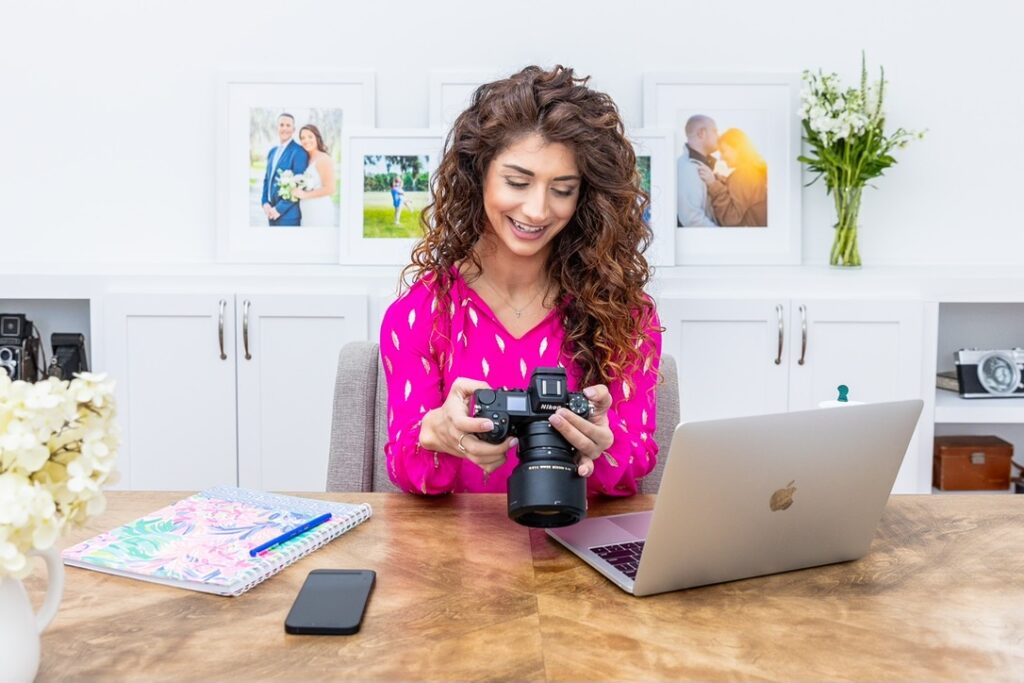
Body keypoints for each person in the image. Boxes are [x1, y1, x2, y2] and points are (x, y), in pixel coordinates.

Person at [379, 65, 662, 497]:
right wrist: (435, 433)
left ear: (586, 195)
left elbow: (635, 461)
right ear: (479, 176)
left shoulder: (626, 312)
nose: (536, 210)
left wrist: (604, 446)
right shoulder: (420, 314)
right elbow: (406, 468)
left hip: (577, 545)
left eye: (562, 189)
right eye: (517, 181)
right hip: (455, 556)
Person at [696, 127, 768, 227]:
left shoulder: (744, 175)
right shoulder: (754, 171)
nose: (720, 157)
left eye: (723, 151)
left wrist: (714, 185)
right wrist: (726, 183)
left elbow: (731, 219)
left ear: (737, 148)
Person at [261, 113, 309, 226]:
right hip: (271, 214)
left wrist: (279, 209)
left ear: (294, 129)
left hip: (288, 217)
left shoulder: (299, 152)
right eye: (281, 125)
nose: (284, 128)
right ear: (277, 127)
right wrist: (264, 202)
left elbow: (299, 185)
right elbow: (267, 179)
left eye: (288, 125)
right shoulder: (272, 152)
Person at [676, 114, 720, 227]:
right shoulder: (688, 169)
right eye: (715, 131)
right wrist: (722, 236)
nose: (718, 136)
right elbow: (692, 219)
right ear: (701, 133)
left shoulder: (698, 166)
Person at [291, 124, 335, 227]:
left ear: (317, 138)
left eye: (310, 137)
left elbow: (330, 189)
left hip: (319, 211)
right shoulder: (307, 159)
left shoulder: (323, 159)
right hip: (307, 212)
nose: (306, 140)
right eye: (303, 138)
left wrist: (304, 195)